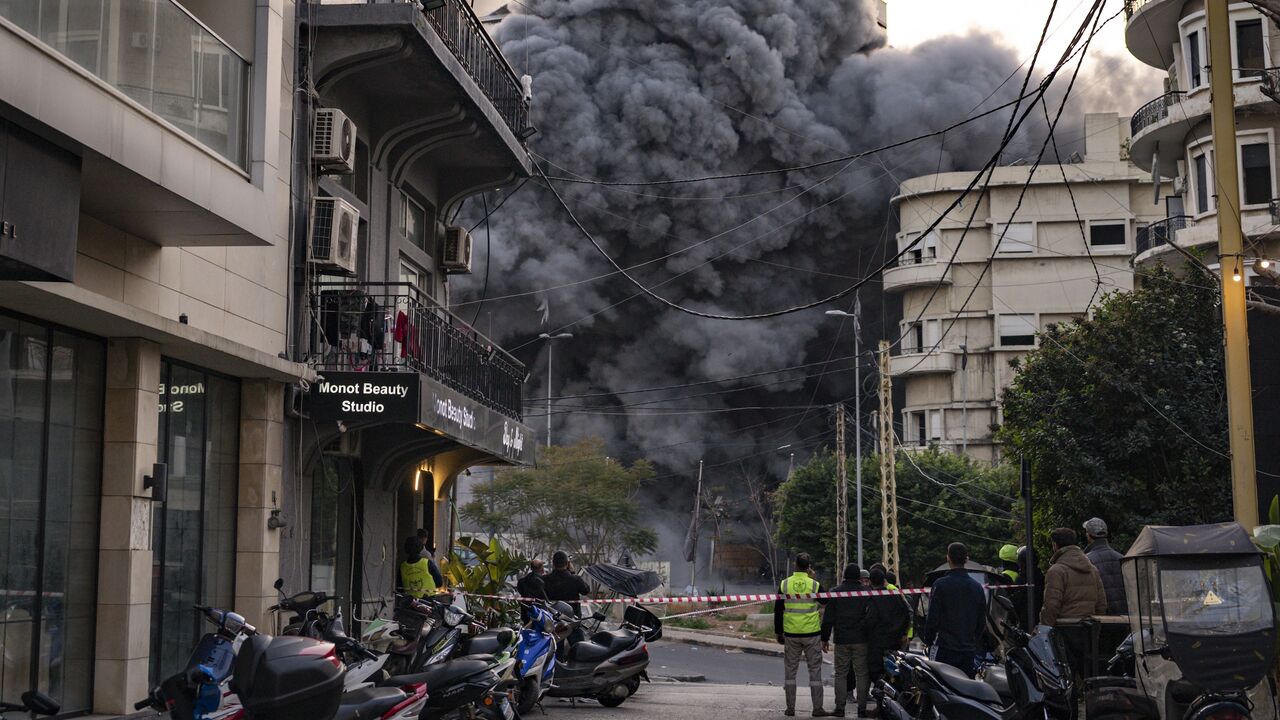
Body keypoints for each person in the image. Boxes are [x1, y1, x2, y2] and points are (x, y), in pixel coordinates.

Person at [1041, 527, 1107, 682]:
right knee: (1090, 675)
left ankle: (1071, 706)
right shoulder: (1092, 569)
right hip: (1088, 629)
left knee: (1066, 678)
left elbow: (1051, 605)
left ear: (1055, 545)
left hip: (1064, 630)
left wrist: (1044, 628)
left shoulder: (1056, 571)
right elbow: (1102, 603)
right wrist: (1096, 626)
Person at [774, 553, 829, 717]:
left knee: (790, 672)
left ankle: (790, 708)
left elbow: (778, 609)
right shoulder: (814, 585)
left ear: (795, 566)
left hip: (791, 633)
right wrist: (812, 578)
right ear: (809, 567)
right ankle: (817, 708)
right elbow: (826, 602)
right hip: (811, 633)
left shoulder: (785, 584)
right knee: (815, 671)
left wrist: (778, 632)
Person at [922, 542, 987, 678]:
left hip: (945, 649)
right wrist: (972, 641)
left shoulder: (940, 585)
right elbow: (981, 622)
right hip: (967, 652)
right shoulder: (977, 588)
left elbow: (933, 618)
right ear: (966, 560)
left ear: (948, 558)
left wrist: (928, 640)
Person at [821, 564, 870, 718]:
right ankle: (862, 709)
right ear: (858, 577)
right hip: (861, 639)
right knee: (862, 674)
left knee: (841, 674)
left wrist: (824, 638)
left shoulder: (835, 593)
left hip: (842, 639)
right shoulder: (866, 593)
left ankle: (840, 708)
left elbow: (828, 618)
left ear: (844, 575)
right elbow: (871, 616)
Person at [866, 567, 912, 698]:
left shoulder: (873, 598)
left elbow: (870, 620)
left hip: (877, 642)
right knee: (893, 672)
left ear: (870, 582)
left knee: (876, 673)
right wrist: (903, 633)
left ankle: (881, 700)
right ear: (884, 580)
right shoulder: (895, 596)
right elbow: (906, 614)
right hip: (894, 641)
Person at [1082, 518, 1127, 615]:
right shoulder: (1122, 558)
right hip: (1124, 617)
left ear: (1089, 536)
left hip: (1100, 617)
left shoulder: (1086, 560)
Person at [542, 550, 591, 617]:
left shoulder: (544, 579)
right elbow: (586, 590)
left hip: (551, 616)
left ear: (553, 563)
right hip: (572, 618)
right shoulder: (575, 579)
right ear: (567, 564)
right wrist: (573, 573)